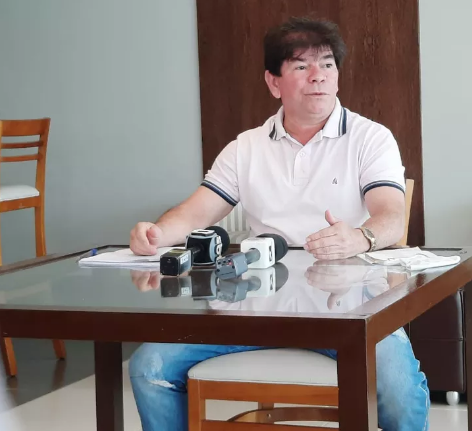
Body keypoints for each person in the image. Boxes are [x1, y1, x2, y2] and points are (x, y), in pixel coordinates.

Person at [127, 16, 431, 431]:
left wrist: (360, 237)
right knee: (149, 367)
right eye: (302, 66)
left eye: (327, 64)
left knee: (399, 389)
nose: (318, 76)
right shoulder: (246, 147)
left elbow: (392, 216)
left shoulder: (370, 138)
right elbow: (196, 212)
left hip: (352, 310)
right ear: (274, 82)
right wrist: (157, 234)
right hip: (256, 310)